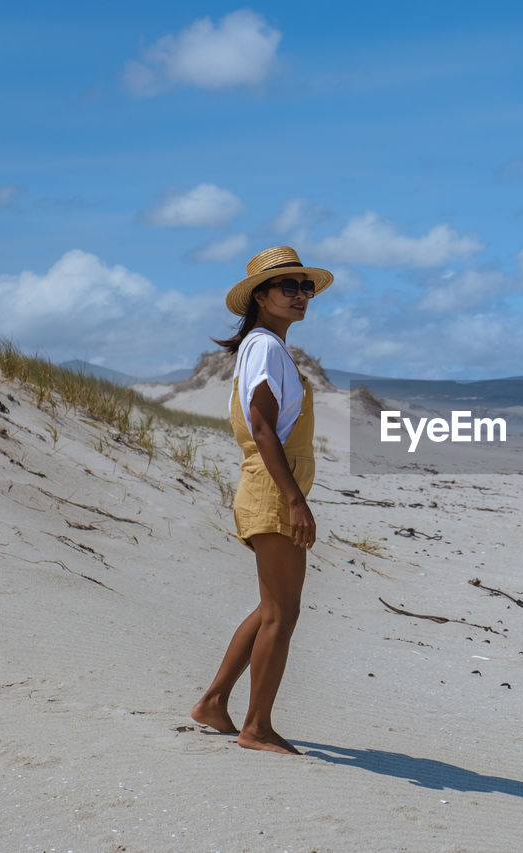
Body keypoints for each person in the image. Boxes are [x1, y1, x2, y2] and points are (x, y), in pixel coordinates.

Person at [191, 246, 333, 755]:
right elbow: (261, 428)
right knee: (282, 613)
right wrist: (295, 501)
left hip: (268, 486)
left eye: (305, 287)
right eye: (287, 287)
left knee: (272, 607)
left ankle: (214, 702)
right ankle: (256, 727)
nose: (300, 296)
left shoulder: (264, 345)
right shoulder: (267, 347)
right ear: (260, 297)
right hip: (273, 490)